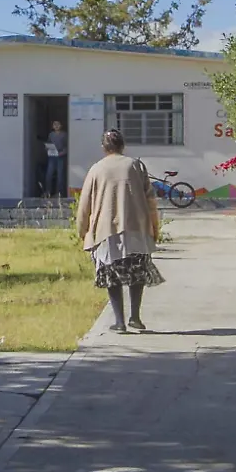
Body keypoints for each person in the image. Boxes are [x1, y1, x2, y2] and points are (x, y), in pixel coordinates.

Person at [74, 129, 164, 333]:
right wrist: (154, 227)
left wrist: (82, 230)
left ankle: (119, 321)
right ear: (123, 145)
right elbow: (151, 200)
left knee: (111, 275)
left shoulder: (96, 169)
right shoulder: (135, 166)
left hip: (106, 231)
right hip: (137, 228)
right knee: (137, 273)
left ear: (103, 148)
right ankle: (135, 317)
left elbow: (85, 204)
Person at [42, 120, 69, 199]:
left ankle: (60, 193)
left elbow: (67, 146)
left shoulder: (64, 135)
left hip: (61, 156)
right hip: (52, 156)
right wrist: (47, 148)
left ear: (61, 125)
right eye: (54, 124)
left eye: (58, 124)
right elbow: (49, 144)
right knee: (49, 174)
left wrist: (62, 152)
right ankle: (48, 192)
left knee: (60, 176)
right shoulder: (51, 135)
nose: (56, 126)